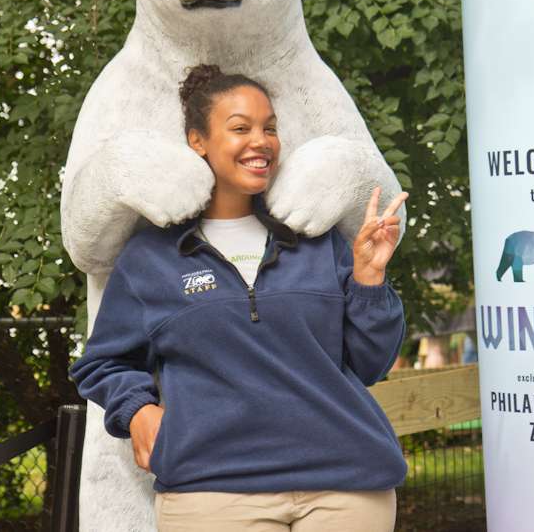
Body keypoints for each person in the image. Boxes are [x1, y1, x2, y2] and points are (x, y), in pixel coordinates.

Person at [69, 64, 410, 531]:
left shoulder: (319, 240)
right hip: (213, 493)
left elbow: (370, 364)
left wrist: (369, 278)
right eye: (240, 128)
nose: (261, 141)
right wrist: (138, 411)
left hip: (347, 485)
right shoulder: (151, 257)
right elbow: (102, 362)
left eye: (269, 127)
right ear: (198, 141)